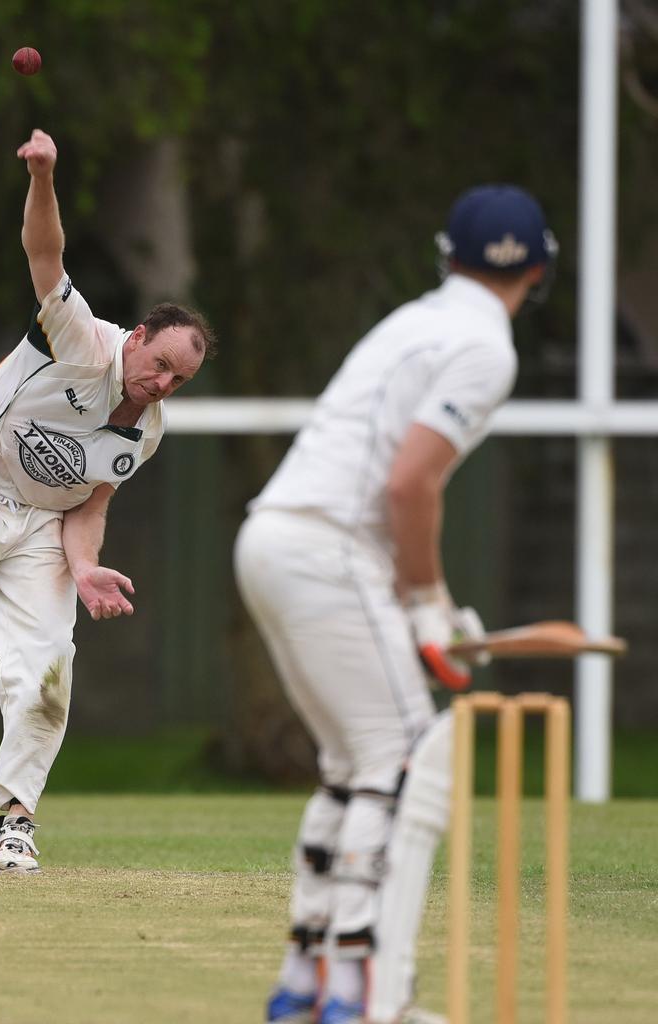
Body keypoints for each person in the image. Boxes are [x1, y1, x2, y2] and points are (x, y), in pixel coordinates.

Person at [234, 185, 557, 1023]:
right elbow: (411, 484)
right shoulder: (486, 346)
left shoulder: (412, 320)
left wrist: (417, 605)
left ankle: (305, 988)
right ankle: (366, 998)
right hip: (327, 549)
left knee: (355, 767)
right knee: (409, 760)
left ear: (448, 255)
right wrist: (427, 603)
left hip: (273, 538)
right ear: (541, 270)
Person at [0, 129, 217, 873]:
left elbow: (89, 506)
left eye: (179, 380)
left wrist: (84, 569)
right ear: (137, 339)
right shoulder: (80, 337)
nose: (163, 383)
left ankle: (17, 817)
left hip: (44, 526)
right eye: (161, 364)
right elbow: (45, 255)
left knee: (45, 669)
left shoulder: (144, 431)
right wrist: (44, 177)